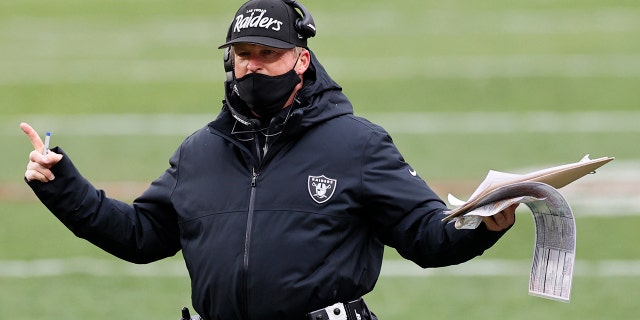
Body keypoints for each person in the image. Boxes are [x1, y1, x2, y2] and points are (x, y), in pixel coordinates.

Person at [21, 0, 516, 319]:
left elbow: (426, 234)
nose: (253, 65)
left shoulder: (357, 145)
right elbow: (140, 236)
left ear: (301, 60)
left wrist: (483, 224)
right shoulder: (198, 152)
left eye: (267, 54)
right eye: (243, 54)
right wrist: (62, 184)